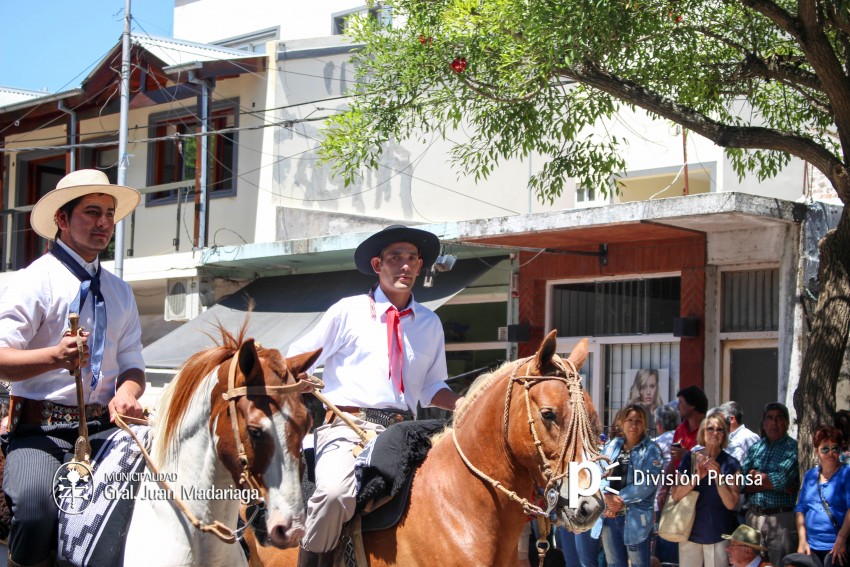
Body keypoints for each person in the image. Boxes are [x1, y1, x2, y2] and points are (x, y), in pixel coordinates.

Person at [286, 224, 462, 561]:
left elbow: (430, 387)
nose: (405, 265)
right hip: (347, 428)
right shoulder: (347, 311)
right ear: (378, 265)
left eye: (412, 258)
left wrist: (466, 403)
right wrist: (300, 377)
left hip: (406, 431)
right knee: (335, 494)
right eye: (395, 258)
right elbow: (298, 360)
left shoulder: (429, 323)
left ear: (420, 266)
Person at [0, 169, 145, 567]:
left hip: (106, 430)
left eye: (109, 214)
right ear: (62, 220)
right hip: (40, 431)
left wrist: (127, 394)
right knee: (34, 511)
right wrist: (55, 357)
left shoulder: (121, 291)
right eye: (91, 212)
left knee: (159, 492)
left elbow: (133, 366)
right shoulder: (34, 281)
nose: (103, 223)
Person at [594, 403, 662, 567]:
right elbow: (598, 473)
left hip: (636, 519)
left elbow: (647, 482)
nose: (634, 424)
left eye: (639, 420)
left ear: (645, 424)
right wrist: (606, 499)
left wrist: (619, 498)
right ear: (621, 423)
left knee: (639, 564)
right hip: (610, 516)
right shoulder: (611, 446)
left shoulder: (652, 450)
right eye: (629, 420)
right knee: (614, 564)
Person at [671, 411, 742, 566]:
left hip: (718, 534)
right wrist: (696, 478)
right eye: (710, 429)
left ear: (724, 434)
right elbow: (675, 495)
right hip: (689, 533)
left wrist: (718, 476)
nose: (715, 433)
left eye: (720, 429)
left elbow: (731, 504)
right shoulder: (690, 459)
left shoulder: (731, 464)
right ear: (703, 432)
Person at [743, 402, 800, 565]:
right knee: (751, 562)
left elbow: (780, 480)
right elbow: (739, 482)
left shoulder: (793, 448)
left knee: (779, 564)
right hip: (754, 516)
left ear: (787, 423)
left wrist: (754, 476)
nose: (774, 423)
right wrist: (767, 481)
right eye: (770, 418)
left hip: (780, 518)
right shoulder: (756, 448)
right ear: (764, 423)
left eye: (779, 418)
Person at [794, 425, 850, 566]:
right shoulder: (810, 475)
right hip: (811, 547)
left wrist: (841, 540)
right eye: (825, 449)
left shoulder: (846, 473)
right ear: (817, 451)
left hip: (837, 549)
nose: (831, 453)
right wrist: (802, 540)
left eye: (835, 448)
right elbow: (801, 508)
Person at [669, 385, 707, 470]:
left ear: (692, 405)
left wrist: (686, 456)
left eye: (681, 402)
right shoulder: (680, 429)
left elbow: (711, 462)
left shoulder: (710, 430)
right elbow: (673, 462)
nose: (678, 407)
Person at [722, 400, 762, 465]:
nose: (719, 422)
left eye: (721, 419)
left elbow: (756, 464)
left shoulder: (748, 437)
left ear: (732, 419)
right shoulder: (725, 438)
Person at [629, 369, 664, 434]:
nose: (648, 392)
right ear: (639, 389)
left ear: (657, 387)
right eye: (644, 387)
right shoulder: (631, 411)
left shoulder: (662, 413)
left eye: (652, 386)